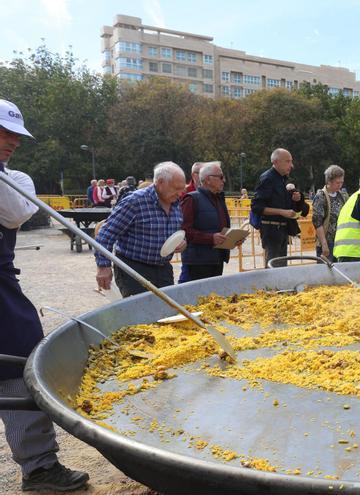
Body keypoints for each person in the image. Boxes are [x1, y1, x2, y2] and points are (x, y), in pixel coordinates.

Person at [0, 99, 90, 491]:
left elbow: (13, 213)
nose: (12, 142)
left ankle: (38, 467)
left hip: (1, 294)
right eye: (4, 133)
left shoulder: (17, 181)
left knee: (21, 365)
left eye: (15, 136)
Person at [95, 162, 187, 297]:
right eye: (176, 188)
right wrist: (103, 266)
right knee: (140, 313)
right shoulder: (135, 201)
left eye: (182, 188)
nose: (180, 193)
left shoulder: (176, 203)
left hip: (163, 269)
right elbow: (106, 234)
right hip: (133, 270)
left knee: (166, 312)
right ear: (160, 183)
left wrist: (183, 242)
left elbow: (175, 230)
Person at [180, 162, 244, 281]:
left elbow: (219, 228)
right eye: (220, 177)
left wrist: (232, 239)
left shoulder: (219, 199)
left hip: (217, 258)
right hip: (198, 261)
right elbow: (184, 231)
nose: (223, 180)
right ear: (208, 179)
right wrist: (210, 238)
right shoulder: (191, 199)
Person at [251, 149, 308, 267]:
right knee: (273, 268)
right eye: (287, 161)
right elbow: (256, 206)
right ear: (276, 162)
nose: (291, 165)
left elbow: (286, 205)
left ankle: (279, 286)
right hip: (271, 229)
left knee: (281, 268)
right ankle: (271, 286)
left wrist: (296, 199)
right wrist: (282, 212)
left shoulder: (283, 179)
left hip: (283, 229)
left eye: (291, 161)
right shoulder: (267, 178)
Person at [312, 164, 348, 262]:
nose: (340, 185)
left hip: (340, 242)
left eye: (341, 182)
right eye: (337, 183)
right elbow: (317, 222)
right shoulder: (320, 196)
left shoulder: (342, 196)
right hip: (327, 242)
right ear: (328, 181)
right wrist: (324, 244)